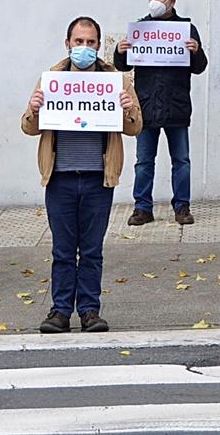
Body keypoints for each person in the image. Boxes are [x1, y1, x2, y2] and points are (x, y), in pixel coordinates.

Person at [23, 17, 142, 333]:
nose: (85, 48)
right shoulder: (52, 79)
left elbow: (135, 127)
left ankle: (89, 310)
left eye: (91, 43)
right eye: (79, 42)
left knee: (91, 249)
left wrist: (128, 108)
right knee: (63, 249)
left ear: (98, 45)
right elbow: (27, 126)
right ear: (68, 44)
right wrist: (35, 108)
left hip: (98, 178)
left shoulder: (116, 81)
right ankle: (60, 311)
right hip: (60, 177)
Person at [114, 0, 208, 226]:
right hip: (146, 106)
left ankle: (182, 206)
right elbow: (123, 65)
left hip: (176, 106)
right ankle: (142, 207)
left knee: (181, 161)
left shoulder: (186, 29)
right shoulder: (141, 27)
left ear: (172, 1)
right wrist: (120, 51)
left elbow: (200, 68)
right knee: (144, 161)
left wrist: (196, 51)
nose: (153, 2)